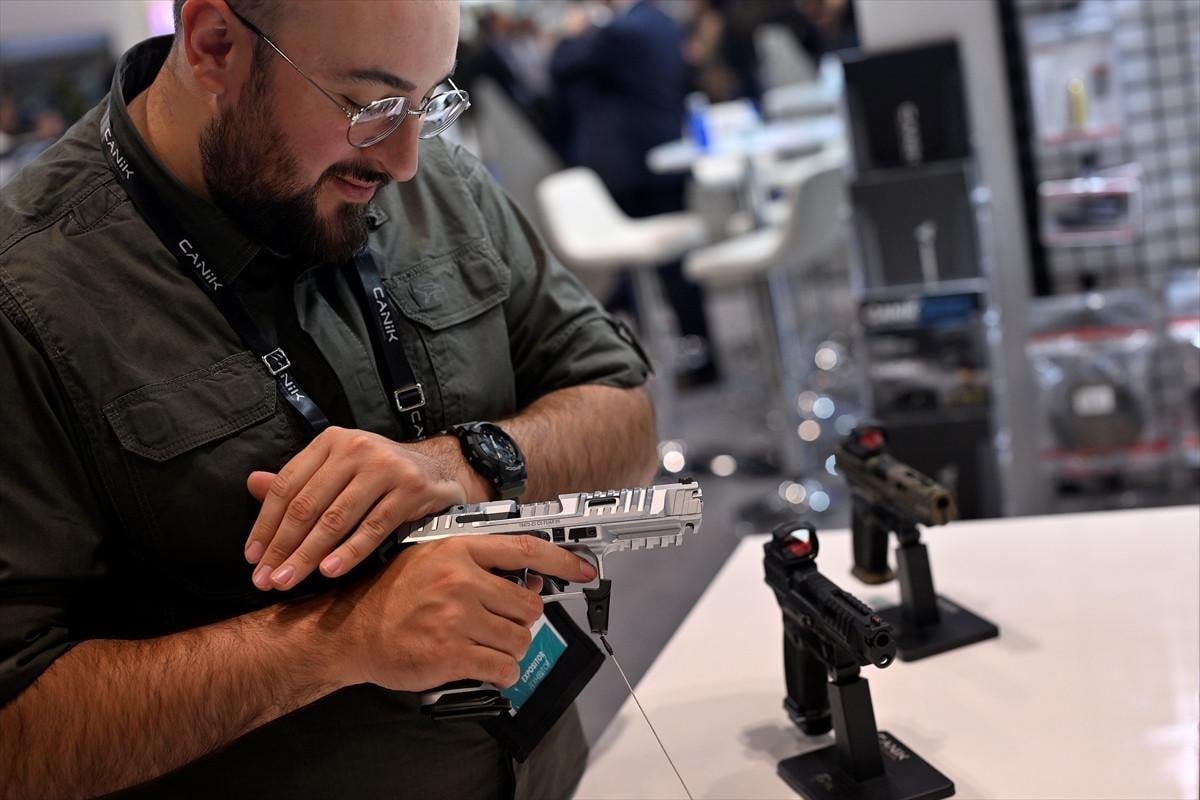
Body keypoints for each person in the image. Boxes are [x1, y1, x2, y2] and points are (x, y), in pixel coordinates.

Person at [0, 1, 657, 798]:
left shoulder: (439, 184)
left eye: (430, 101)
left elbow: (625, 412)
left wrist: (465, 465)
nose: (406, 161)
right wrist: (341, 640)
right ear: (214, 45)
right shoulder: (27, 298)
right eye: (370, 104)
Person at [549, 0, 719, 386]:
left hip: (632, 167)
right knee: (676, 271)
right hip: (663, 155)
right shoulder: (663, 23)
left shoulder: (618, 33)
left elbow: (562, 66)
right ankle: (698, 354)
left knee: (653, 272)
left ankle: (661, 361)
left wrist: (575, 32)